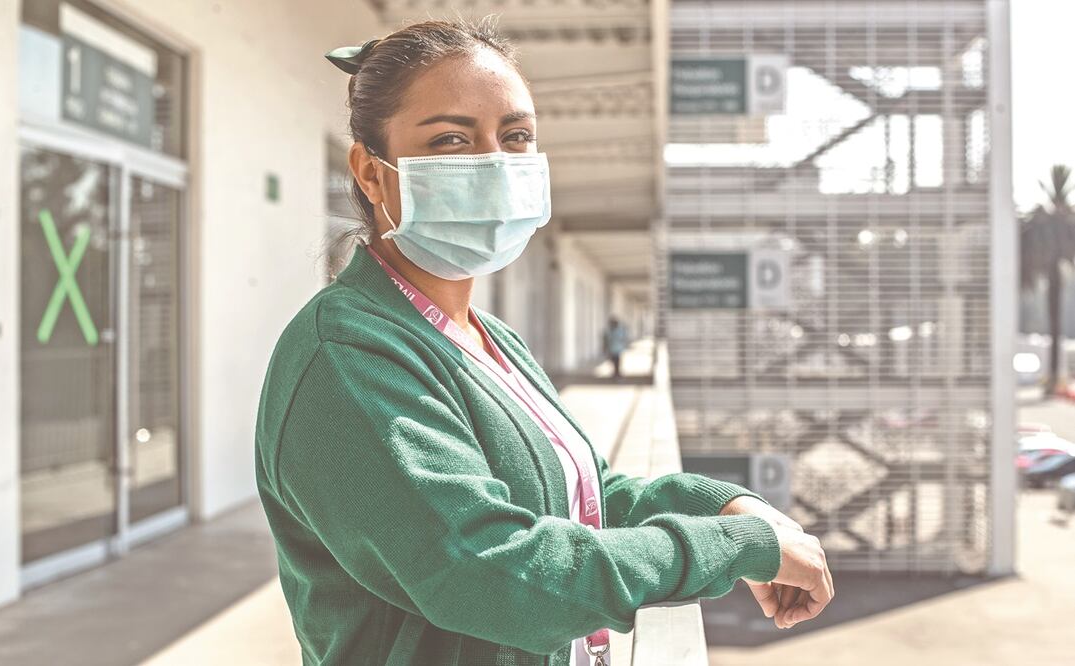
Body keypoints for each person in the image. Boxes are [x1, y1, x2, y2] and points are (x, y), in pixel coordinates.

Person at [254, 16, 833, 666]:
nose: (495, 164)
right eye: (450, 139)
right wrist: (727, 550)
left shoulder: (490, 339)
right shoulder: (346, 354)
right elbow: (488, 573)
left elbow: (582, 496)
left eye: (516, 136)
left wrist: (726, 505)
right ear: (370, 172)